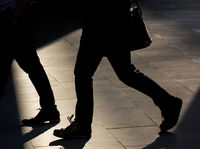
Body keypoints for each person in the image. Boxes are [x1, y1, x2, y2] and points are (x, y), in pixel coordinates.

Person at [53, 0, 182, 139]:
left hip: (101, 21)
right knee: (125, 72)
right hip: (115, 20)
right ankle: (168, 102)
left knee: (83, 73)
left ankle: (82, 125)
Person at [0, 0, 60, 125]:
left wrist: (15, 17)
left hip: (12, 14)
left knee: (30, 65)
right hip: (13, 15)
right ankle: (49, 109)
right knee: (31, 65)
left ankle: (50, 109)